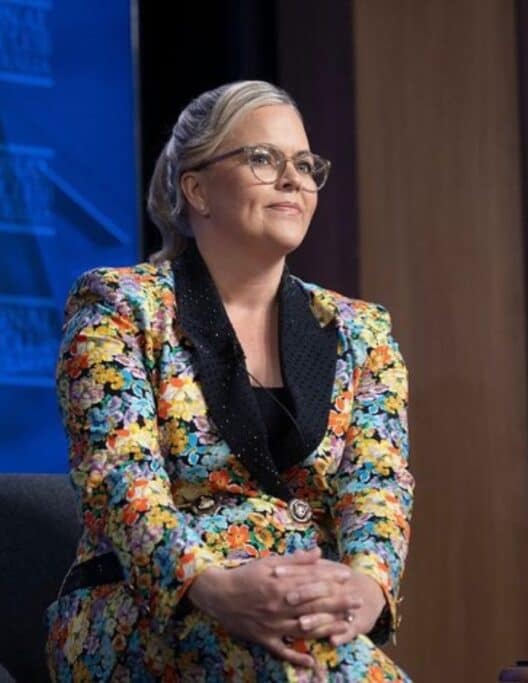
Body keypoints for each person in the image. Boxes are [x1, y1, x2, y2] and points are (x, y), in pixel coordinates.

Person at [44, 81, 414, 682]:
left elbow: (377, 482)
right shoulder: (119, 307)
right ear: (196, 189)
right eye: (264, 159)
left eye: (305, 165)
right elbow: (120, 479)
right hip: (148, 609)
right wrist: (208, 584)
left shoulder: (361, 329)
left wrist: (368, 587)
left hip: (303, 613)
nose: (293, 180)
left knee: (323, 663)